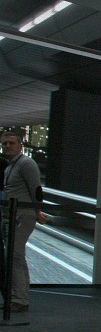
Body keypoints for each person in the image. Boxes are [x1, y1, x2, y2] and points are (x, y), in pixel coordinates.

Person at [1, 130, 47, 313]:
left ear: (20, 146)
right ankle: (20, 296)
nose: (7, 146)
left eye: (11, 143)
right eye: (4, 143)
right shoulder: (10, 166)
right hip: (12, 216)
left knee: (14, 255)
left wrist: (37, 211)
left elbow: (36, 190)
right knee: (16, 256)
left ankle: (19, 298)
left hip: (22, 216)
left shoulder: (26, 164)